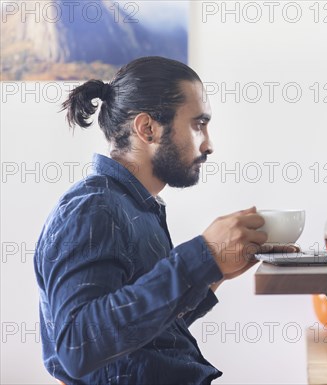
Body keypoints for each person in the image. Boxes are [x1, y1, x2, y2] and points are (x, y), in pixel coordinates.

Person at [34, 56, 290, 384]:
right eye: (198, 124)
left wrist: (213, 272)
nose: (209, 144)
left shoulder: (136, 206)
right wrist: (201, 256)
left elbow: (140, 333)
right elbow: (77, 346)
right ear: (148, 128)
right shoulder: (93, 209)